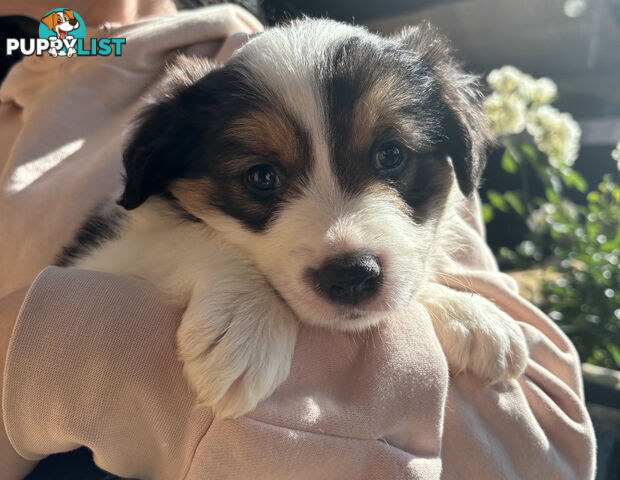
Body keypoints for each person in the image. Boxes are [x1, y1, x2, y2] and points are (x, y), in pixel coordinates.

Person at [0, 1, 596, 479]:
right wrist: (219, 274)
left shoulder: (236, 51)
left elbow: (550, 454)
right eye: (262, 177)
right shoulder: (164, 144)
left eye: (390, 158)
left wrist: (436, 300)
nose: (342, 235)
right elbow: (112, 257)